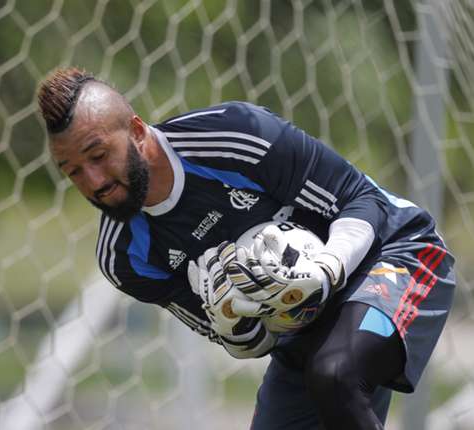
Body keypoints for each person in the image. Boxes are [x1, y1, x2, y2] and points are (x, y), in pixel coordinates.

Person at [37, 67, 455, 430]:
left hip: (397, 252)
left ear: (138, 131)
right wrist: (237, 323)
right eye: (73, 171)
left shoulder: (237, 133)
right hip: (305, 333)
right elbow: (246, 340)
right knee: (327, 372)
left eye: (98, 155)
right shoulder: (124, 257)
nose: (93, 182)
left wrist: (326, 268)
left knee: (336, 374)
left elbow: (363, 199)